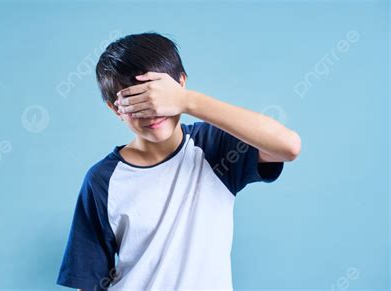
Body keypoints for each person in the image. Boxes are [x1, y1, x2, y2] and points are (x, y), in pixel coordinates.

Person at [56, 32, 301, 291]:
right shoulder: (102, 179)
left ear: (180, 83)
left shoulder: (213, 147)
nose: (151, 111)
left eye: (156, 96)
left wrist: (187, 101)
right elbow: (90, 279)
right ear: (116, 109)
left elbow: (288, 146)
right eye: (135, 102)